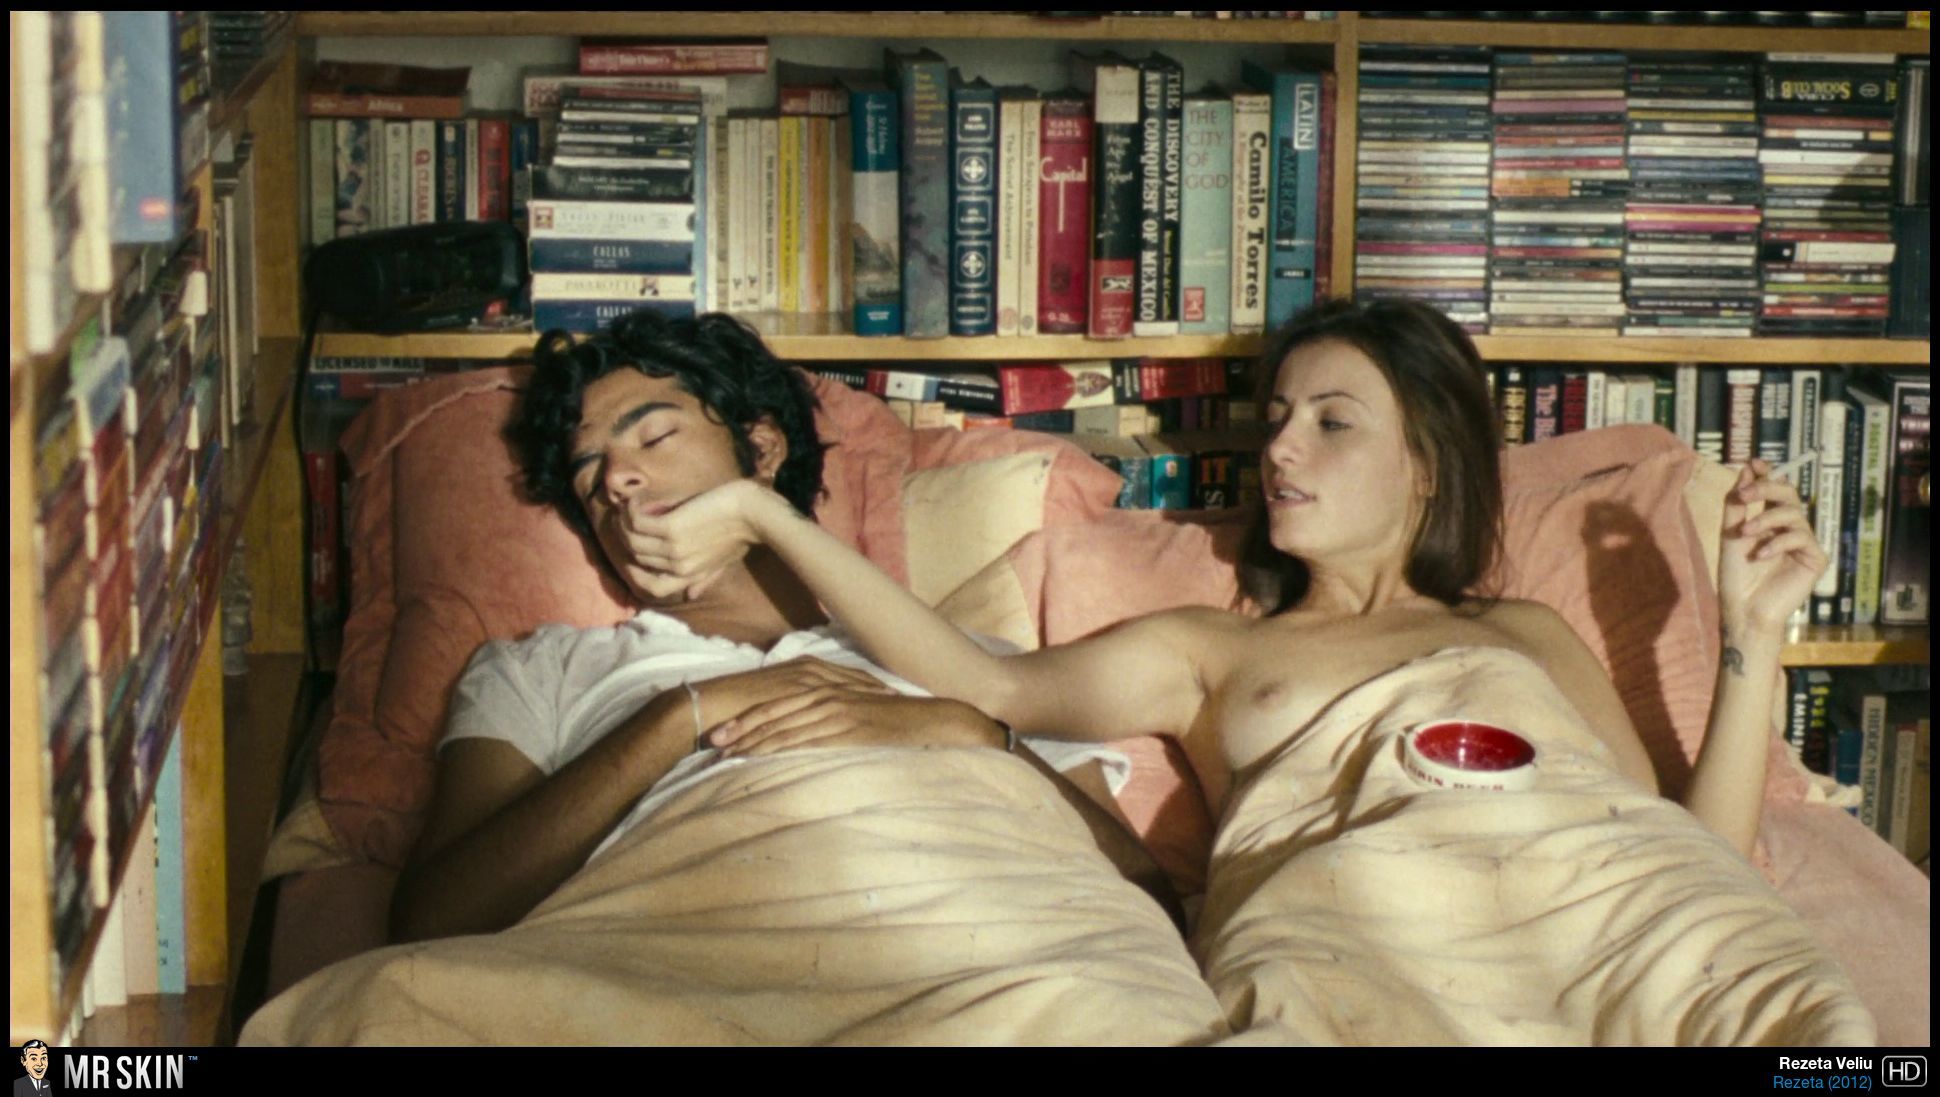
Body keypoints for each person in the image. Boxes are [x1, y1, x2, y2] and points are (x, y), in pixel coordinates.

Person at [623, 299, 1884, 1044]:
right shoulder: (1208, 648)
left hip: (1621, 916)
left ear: (1425, 463)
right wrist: (762, 513)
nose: (1281, 447)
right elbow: (977, 680)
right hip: (1367, 937)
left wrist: (1750, 630)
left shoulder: (1522, 632)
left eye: (1331, 422)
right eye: (1275, 418)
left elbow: (1693, 859)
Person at [387, 309, 1180, 945]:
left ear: (761, 447)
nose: (618, 479)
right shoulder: (540, 669)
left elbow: (1151, 904)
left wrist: (977, 734)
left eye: (654, 436)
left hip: (978, 949)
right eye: (589, 474)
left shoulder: (962, 666)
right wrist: (679, 717)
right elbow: (431, 926)